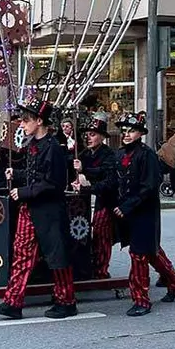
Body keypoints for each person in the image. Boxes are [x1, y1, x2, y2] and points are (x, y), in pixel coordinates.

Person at [0, 97, 77, 320]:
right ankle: (13, 302)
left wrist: (24, 191)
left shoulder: (54, 148)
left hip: (49, 212)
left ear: (39, 120)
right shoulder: (33, 145)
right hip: (31, 209)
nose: (22, 124)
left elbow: (54, 183)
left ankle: (66, 301)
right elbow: (34, 175)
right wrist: (16, 176)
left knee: (57, 258)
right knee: (21, 254)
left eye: (26, 120)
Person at [114, 112, 175, 317]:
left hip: (144, 213)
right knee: (150, 252)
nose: (127, 134)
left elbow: (149, 187)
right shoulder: (120, 154)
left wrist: (127, 206)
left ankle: (141, 300)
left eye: (132, 131)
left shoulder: (147, 155)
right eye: (124, 130)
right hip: (129, 214)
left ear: (140, 133)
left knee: (139, 255)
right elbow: (113, 180)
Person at [72, 116, 117, 279]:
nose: (88, 138)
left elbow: (106, 175)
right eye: (87, 134)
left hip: (104, 200)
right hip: (84, 201)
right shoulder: (84, 153)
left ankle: (101, 270)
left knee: (101, 234)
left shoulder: (109, 154)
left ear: (102, 136)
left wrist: (86, 171)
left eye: (93, 134)